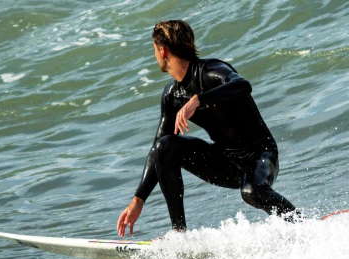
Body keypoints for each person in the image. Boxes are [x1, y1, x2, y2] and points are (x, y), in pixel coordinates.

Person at [117, 20, 298, 237]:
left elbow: (242, 85)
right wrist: (138, 200)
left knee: (252, 192)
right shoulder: (172, 96)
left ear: (162, 51)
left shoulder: (211, 70)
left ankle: (301, 225)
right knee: (165, 146)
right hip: (225, 162)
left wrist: (198, 100)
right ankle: (179, 234)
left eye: (155, 50)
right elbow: (159, 149)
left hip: (260, 154)